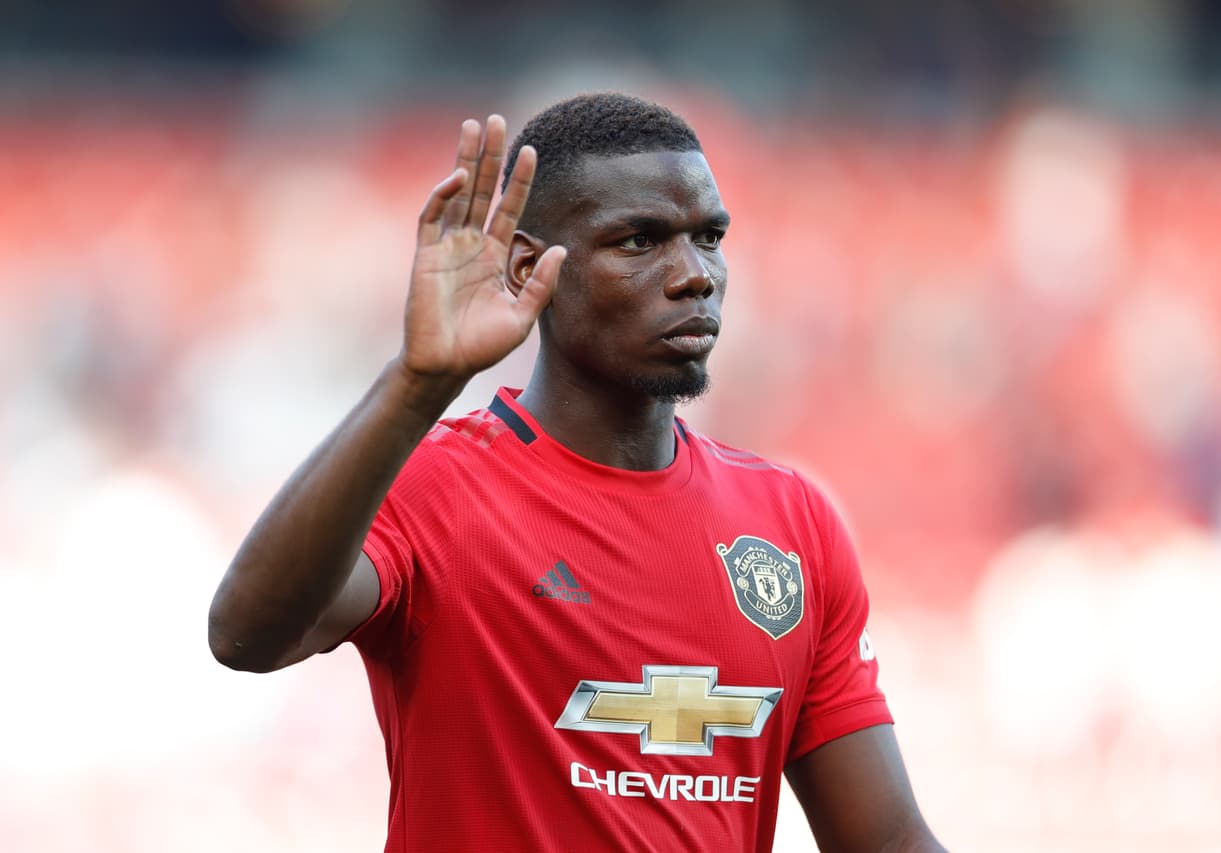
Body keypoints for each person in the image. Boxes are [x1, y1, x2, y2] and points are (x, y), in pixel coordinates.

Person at [209, 93, 945, 852]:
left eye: (710, 236)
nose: (695, 274)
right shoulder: (437, 488)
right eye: (639, 241)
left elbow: (886, 838)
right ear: (532, 268)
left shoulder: (790, 524)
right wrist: (416, 382)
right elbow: (247, 636)